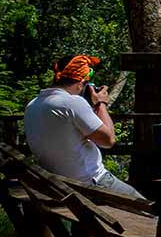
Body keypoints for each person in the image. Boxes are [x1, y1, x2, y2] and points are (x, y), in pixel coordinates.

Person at [23, 55, 144, 201]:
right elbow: (109, 140)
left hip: (57, 186)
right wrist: (100, 104)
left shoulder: (32, 105)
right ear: (81, 82)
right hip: (90, 184)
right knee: (148, 213)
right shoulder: (72, 102)